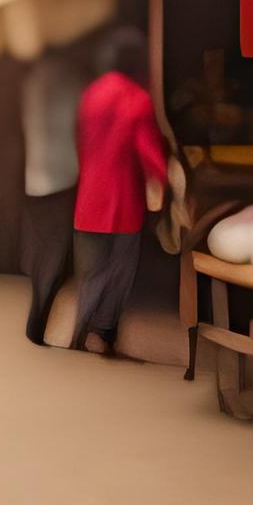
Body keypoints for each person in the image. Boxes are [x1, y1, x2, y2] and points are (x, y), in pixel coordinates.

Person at [69, 29, 166, 354]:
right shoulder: (137, 98)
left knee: (92, 268)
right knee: (120, 268)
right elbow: (147, 151)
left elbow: (80, 142)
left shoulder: (91, 94)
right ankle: (104, 329)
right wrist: (167, 178)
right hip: (123, 201)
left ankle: (83, 325)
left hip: (89, 196)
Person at [19, 51, 83, 344]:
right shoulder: (70, 81)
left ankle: (37, 320)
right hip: (61, 180)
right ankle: (39, 322)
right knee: (55, 257)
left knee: (42, 254)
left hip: (34, 178)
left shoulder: (32, 81)